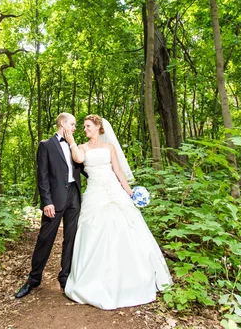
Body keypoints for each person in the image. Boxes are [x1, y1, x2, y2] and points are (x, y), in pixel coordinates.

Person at [62, 114, 172, 310]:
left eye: (87, 126)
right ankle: (96, 280)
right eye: (84, 127)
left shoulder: (109, 147)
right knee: (95, 231)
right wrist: (70, 140)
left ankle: (132, 280)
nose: (84, 129)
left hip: (114, 190)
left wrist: (130, 193)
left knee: (126, 229)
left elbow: (118, 171)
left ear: (98, 127)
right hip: (95, 192)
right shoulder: (82, 147)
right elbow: (78, 158)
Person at [15, 113, 85, 298]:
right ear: (63, 124)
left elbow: (86, 168)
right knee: (45, 238)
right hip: (55, 199)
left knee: (71, 238)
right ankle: (34, 279)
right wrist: (46, 201)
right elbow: (42, 176)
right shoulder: (45, 145)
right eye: (73, 124)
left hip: (74, 196)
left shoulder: (74, 145)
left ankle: (65, 277)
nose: (75, 128)